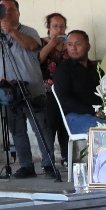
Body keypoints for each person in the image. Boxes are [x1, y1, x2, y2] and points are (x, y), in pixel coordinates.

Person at [0, 0, 51, 179]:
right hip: (8, 92)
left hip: (32, 90)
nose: (7, 13)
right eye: (3, 10)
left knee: (41, 128)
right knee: (17, 131)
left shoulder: (29, 31)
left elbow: (32, 45)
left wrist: (10, 31)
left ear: (18, 12)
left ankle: (49, 164)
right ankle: (26, 165)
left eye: (11, 9)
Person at [52, 30, 102, 138]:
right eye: (70, 45)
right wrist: (94, 111)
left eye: (78, 44)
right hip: (74, 116)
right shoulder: (63, 70)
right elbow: (65, 100)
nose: (73, 48)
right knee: (104, 130)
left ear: (88, 46)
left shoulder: (96, 69)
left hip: (98, 114)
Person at [39, 13, 68, 164]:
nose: (58, 29)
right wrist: (52, 44)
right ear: (48, 27)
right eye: (55, 26)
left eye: (61, 26)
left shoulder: (70, 43)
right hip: (48, 91)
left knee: (66, 124)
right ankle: (48, 159)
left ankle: (66, 157)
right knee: (50, 125)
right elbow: (36, 61)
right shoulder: (41, 43)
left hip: (66, 91)